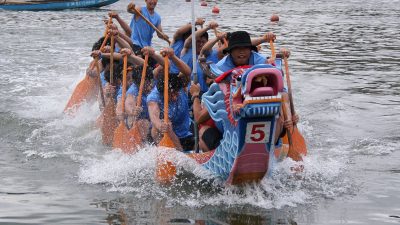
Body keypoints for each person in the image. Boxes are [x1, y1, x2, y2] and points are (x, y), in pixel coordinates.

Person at [216, 30, 298, 143]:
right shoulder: (221, 67)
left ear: (250, 49)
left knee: (282, 96)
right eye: (237, 49)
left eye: (245, 48)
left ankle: (283, 128)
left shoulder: (261, 61)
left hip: (258, 98)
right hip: (234, 102)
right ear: (230, 52)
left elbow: (281, 90)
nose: (241, 52)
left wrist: (290, 115)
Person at [146, 48, 193, 151]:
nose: (175, 97)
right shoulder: (154, 97)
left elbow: (187, 72)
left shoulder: (181, 87)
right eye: (172, 94)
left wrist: (173, 57)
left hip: (185, 133)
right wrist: (161, 125)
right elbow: (154, 117)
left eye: (176, 93)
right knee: (157, 129)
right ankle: (174, 154)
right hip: (165, 135)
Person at [189, 83, 222, 152]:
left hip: (225, 142)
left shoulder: (221, 91)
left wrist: (195, 95)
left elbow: (198, 118)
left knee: (203, 130)